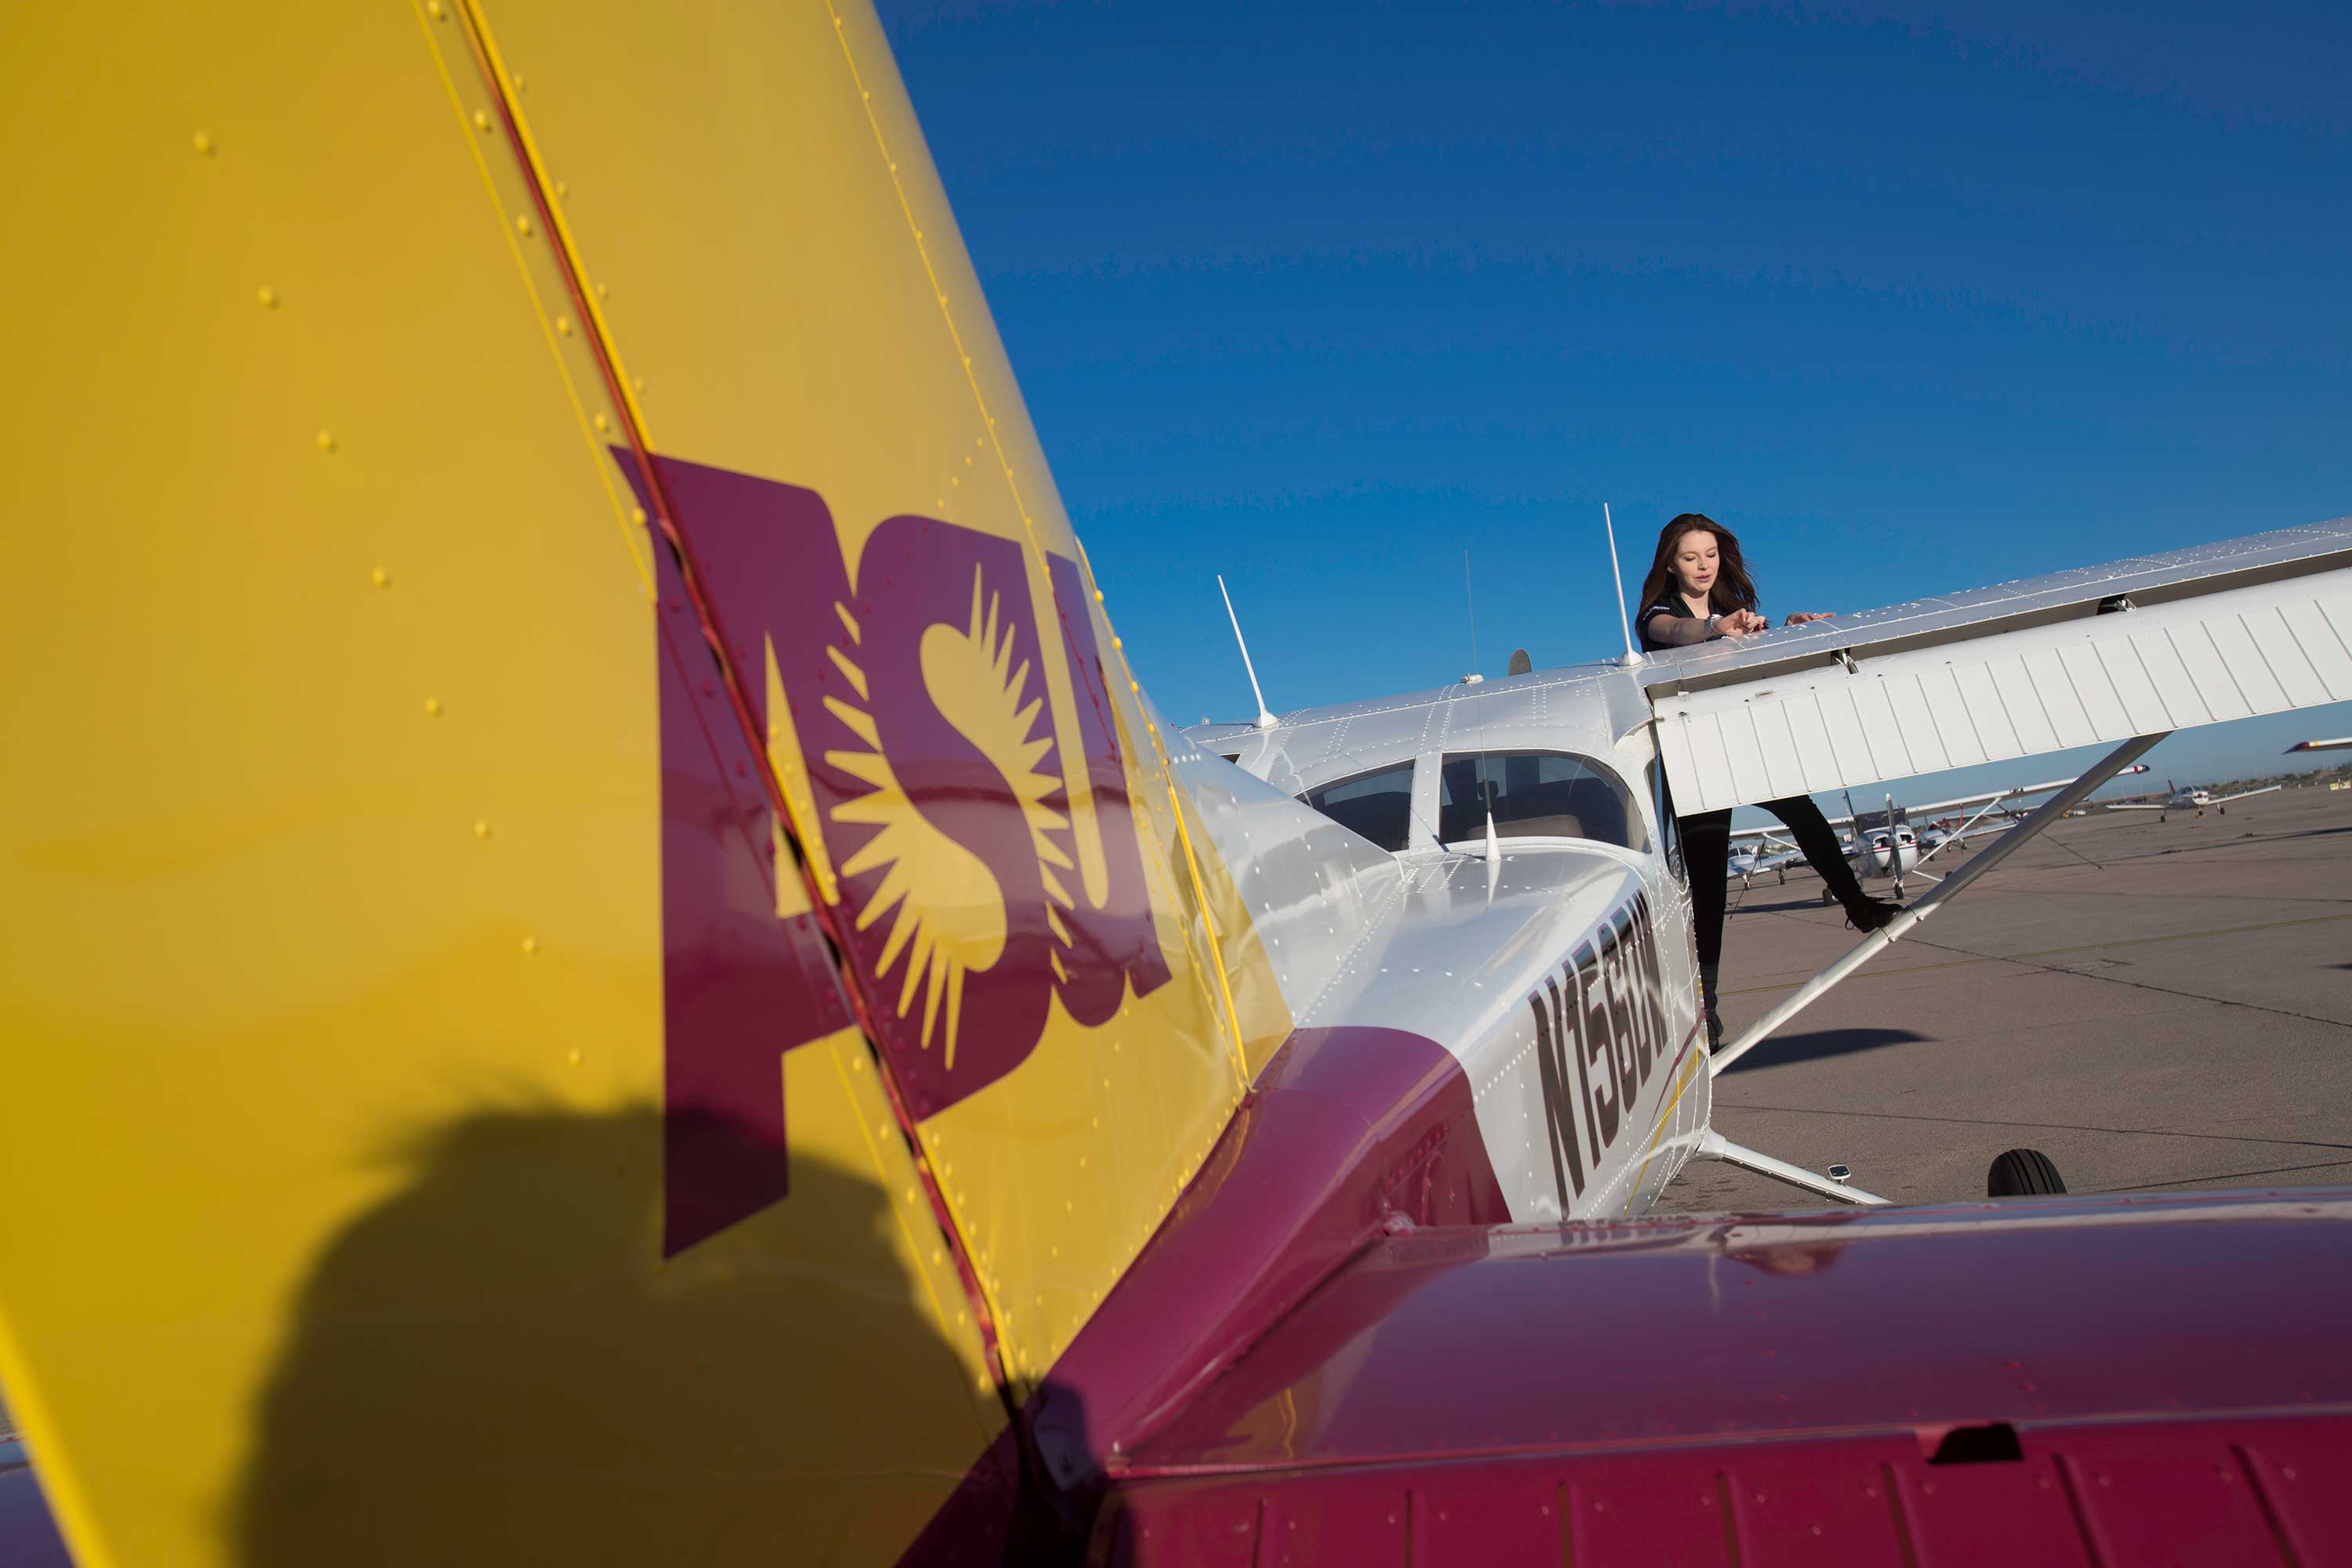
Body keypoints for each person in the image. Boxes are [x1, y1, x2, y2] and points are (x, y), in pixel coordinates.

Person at [1637, 512, 1900, 1050]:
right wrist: (1716, 627)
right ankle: (1704, 1005)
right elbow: (1678, 633)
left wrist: (1790, 631)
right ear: (1671, 562)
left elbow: (1751, 655)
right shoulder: (1659, 616)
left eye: (1710, 554)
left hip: (1743, 744)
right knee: (1709, 889)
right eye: (1690, 557)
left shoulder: (1735, 606)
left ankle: (1857, 904)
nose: (1703, 566)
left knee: (1804, 813)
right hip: (1695, 760)